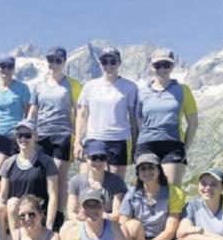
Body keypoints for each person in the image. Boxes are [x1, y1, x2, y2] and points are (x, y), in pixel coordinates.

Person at [29, 46, 82, 229]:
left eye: (58, 60)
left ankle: (58, 218)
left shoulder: (72, 85)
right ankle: (41, 214)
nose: (54, 64)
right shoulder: (39, 86)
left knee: (59, 175)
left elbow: (79, 111)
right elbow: (33, 112)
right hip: (42, 135)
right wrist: (28, 131)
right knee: (41, 175)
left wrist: (78, 139)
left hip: (63, 134)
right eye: (51, 60)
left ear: (64, 61)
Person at [136, 49, 198, 185]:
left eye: (166, 65)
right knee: (148, 191)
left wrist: (185, 148)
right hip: (146, 145)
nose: (162, 69)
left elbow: (193, 123)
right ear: (152, 67)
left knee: (171, 192)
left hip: (173, 145)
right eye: (158, 65)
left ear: (172, 67)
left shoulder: (183, 90)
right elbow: (138, 122)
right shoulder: (142, 93)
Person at [74, 47, 139, 178]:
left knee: (115, 186)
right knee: (87, 182)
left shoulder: (130, 87)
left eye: (112, 61)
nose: (108, 65)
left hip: (119, 140)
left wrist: (136, 145)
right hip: (93, 138)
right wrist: (77, 141)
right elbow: (81, 115)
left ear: (119, 63)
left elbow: (133, 118)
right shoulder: (90, 86)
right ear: (100, 64)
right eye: (105, 62)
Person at [0, 119, 59, 234]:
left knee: (13, 205)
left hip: (35, 212)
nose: (23, 139)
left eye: (27, 135)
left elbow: (53, 196)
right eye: (19, 135)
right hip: (15, 212)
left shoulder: (47, 163)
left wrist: (49, 225)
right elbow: (2, 197)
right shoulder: (9, 163)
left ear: (35, 137)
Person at [64, 140, 127, 235]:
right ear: (86, 158)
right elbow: (70, 213)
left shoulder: (116, 181)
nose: (98, 162)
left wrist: (98, 217)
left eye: (102, 158)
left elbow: (116, 215)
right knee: (66, 227)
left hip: (107, 223)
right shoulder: (75, 181)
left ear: (107, 159)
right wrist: (84, 219)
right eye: (94, 158)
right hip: (83, 222)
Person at [0, 54, 31, 138]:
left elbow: (29, 113)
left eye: (9, 66)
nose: (6, 69)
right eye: (2, 66)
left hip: (15, 135)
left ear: (13, 69)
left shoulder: (22, 88)